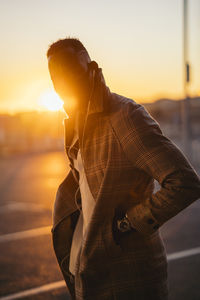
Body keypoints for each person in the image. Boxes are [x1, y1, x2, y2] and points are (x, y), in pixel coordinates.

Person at [47, 37, 200, 300]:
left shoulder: (125, 116)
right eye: (55, 77)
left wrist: (127, 224)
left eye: (69, 70)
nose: (62, 82)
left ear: (90, 67)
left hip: (129, 275)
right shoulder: (75, 124)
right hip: (87, 271)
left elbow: (184, 182)